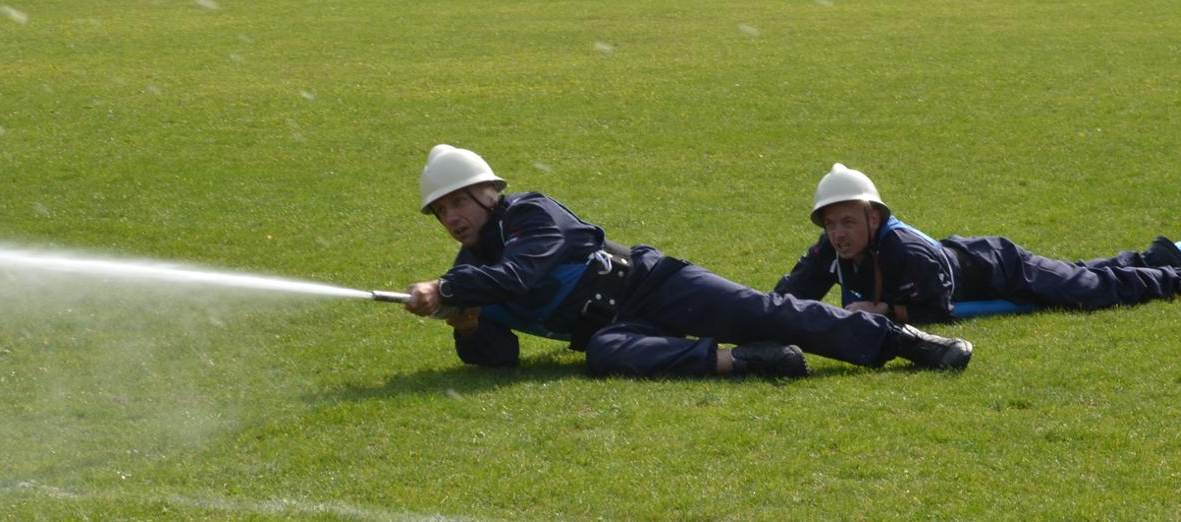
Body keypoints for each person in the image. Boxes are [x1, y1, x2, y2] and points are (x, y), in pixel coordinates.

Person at [400, 146, 974, 378]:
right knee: (602, 356)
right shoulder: (470, 271)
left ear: (485, 194)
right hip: (614, 329)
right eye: (441, 211)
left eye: (457, 203)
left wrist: (449, 288)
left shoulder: (532, 215)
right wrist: (469, 324)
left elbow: (520, 274)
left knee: (766, 311)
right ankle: (745, 363)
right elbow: (498, 360)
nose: (452, 218)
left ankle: (903, 341)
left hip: (654, 285)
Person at [773, 165, 1181, 325]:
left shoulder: (907, 252)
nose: (839, 234)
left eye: (848, 222)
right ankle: (1149, 260)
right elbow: (791, 294)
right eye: (831, 223)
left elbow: (937, 308)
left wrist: (880, 311)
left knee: (1085, 290)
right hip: (969, 262)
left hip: (995, 267)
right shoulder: (831, 249)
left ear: (873, 217)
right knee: (1073, 277)